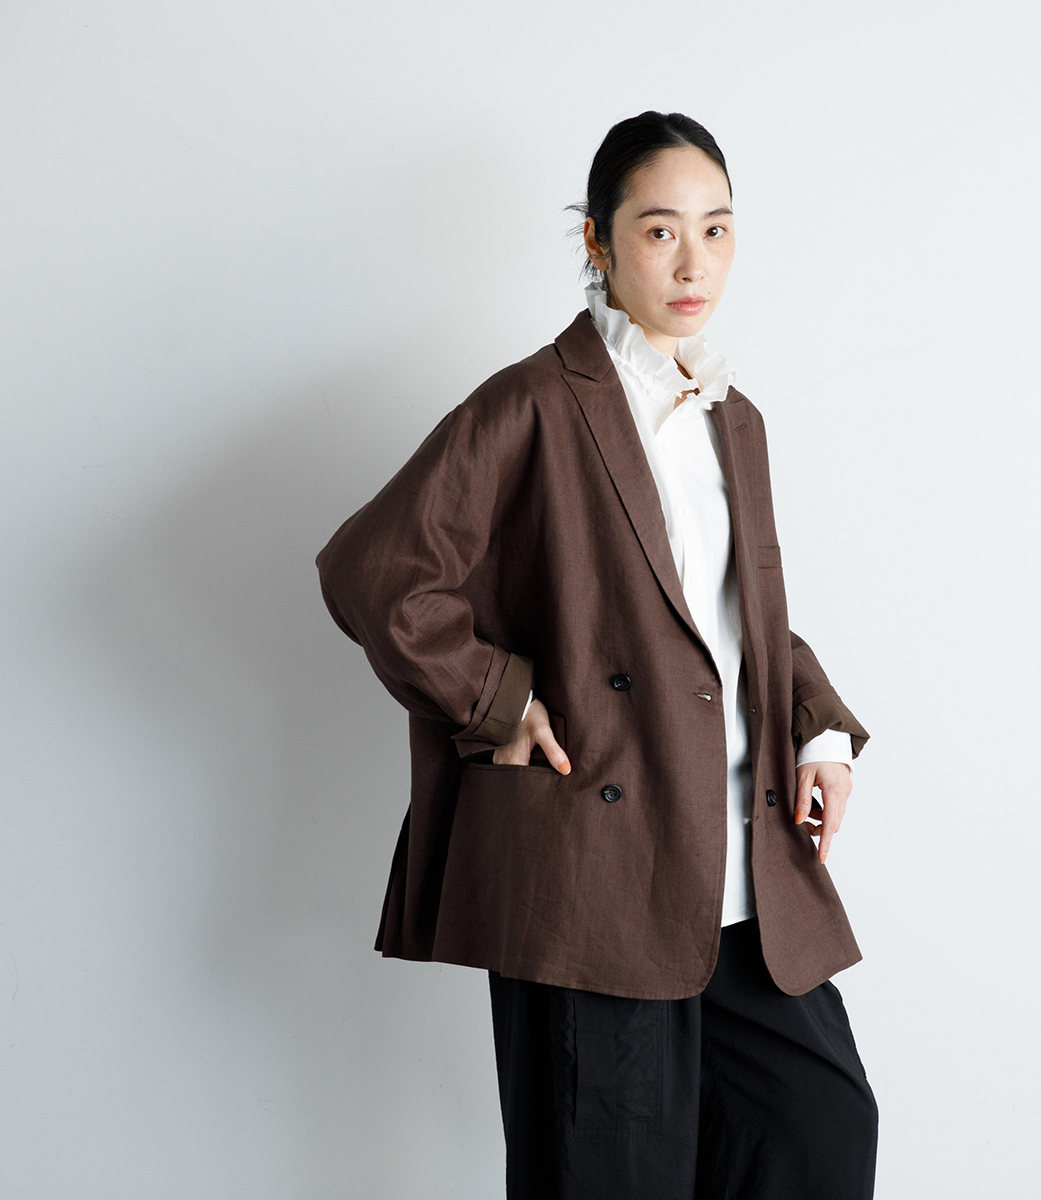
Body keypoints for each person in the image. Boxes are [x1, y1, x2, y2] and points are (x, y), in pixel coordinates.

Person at [316, 111, 877, 1199]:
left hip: (745, 882)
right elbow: (374, 572)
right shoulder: (533, 402)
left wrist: (820, 731)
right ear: (599, 243)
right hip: (599, 877)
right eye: (660, 231)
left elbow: (739, 621)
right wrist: (498, 700)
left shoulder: (735, 418)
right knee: (609, 1175)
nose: (693, 263)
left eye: (716, 229)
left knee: (819, 1132)